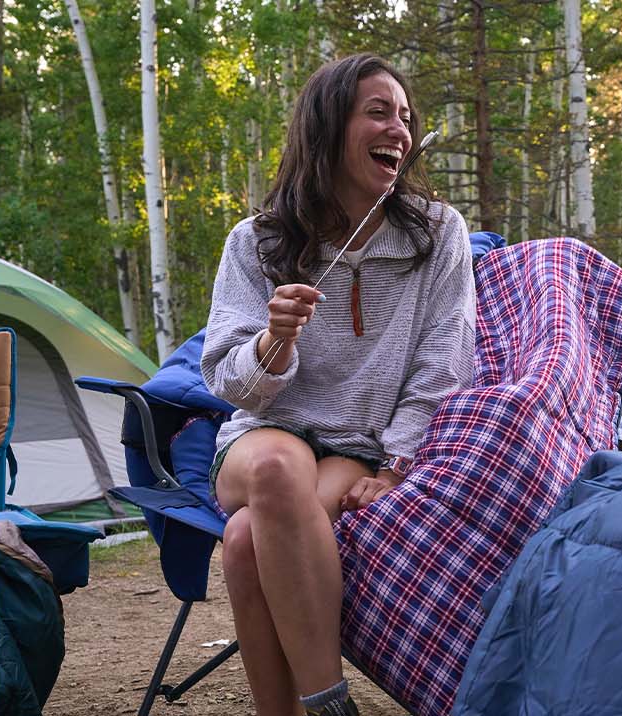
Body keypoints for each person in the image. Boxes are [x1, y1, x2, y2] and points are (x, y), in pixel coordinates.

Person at [200, 53, 475, 716]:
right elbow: (229, 382)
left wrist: (399, 462)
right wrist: (274, 341)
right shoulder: (257, 241)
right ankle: (329, 701)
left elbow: (444, 365)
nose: (399, 130)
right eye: (378, 112)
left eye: (405, 117)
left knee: (243, 541)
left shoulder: (439, 236)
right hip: (260, 437)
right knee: (272, 467)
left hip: (356, 442)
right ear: (327, 127)